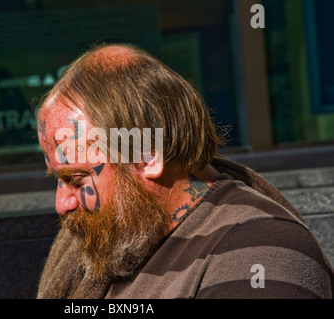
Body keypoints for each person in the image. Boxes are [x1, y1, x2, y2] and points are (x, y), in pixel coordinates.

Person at [35, 43, 334, 299]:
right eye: (58, 180)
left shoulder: (263, 249)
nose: (63, 204)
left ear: (146, 156)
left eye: (75, 179)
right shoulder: (113, 240)